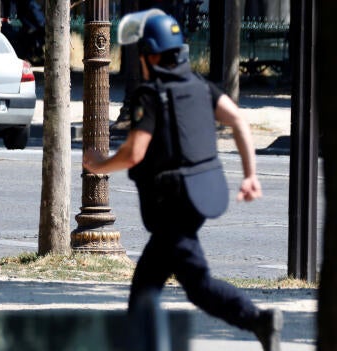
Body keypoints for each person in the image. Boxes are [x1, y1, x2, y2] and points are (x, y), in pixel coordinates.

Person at [83, 10, 283, 351]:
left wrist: (99, 164)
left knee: (198, 285)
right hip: (194, 197)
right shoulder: (199, 85)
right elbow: (238, 119)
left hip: (171, 208)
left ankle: (257, 320)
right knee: (145, 287)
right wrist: (250, 175)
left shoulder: (151, 94)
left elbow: (134, 153)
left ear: (152, 54)